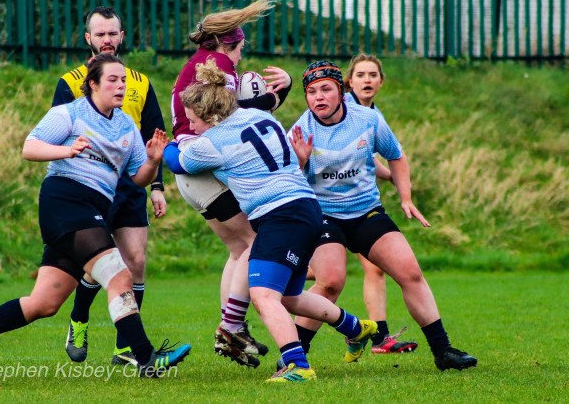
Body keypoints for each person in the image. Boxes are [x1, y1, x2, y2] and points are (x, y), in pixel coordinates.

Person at [0, 54, 190, 379]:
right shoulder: (70, 113)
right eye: (112, 80)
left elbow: (137, 179)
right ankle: (146, 359)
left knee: (44, 303)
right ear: (93, 84)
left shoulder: (126, 126)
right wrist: (67, 150)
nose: (121, 86)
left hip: (94, 208)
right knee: (119, 274)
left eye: (123, 80)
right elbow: (30, 147)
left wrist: (152, 161)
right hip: (65, 199)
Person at [163, 59, 377, 382]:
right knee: (289, 297)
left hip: (280, 216)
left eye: (193, 121)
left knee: (263, 296)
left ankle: (298, 366)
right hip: (307, 208)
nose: (190, 128)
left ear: (209, 116)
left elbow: (177, 163)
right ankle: (356, 328)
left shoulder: (211, 143)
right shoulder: (259, 115)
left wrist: (168, 144)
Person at [288, 60, 477, 371]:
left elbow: (396, 156)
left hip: (366, 212)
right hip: (322, 216)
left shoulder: (368, 119)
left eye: (326, 89)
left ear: (341, 91)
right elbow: (286, 181)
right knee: (331, 281)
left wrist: (406, 198)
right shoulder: (299, 131)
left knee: (410, 273)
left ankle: (443, 351)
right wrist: (299, 162)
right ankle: (293, 358)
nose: (319, 97)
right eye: (311, 92)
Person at [171, 0, 292, 367]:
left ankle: (231, 331)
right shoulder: (218, 64)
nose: (240, 57)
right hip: (201, 164)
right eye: (240, 49)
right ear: (228, 44)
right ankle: (231, 327)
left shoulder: (201, 62)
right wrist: (280, 93)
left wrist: (276, 95)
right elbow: (236, 115)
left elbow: (240, 115)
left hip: (195, 170)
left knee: (239, 249)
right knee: (255, 241)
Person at [52, 6, 167, 365]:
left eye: (112, 33)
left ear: (121, 37)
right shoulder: (70, 82)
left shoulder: (140, 82)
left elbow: (154, 136)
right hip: (89, 185)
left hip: (130, 184)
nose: (107, 39)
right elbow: (57, 133)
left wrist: (157, 186)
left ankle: (124, 347)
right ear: (88, 38)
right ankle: (78, 319)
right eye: (100, 34)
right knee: (96, 264)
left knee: (136, 261)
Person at [342, 53, 419, 354]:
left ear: (381, 81)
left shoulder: (373, 113)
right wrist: (392, 178)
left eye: (373, 75)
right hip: (332, 206)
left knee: (373, 268)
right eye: (361, 75)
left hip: (357, 208)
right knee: (320, 274)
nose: (367, 80)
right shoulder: (344, 108)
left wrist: (397, 182)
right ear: (349, 81)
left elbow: (375, 156)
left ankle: (378, 337)